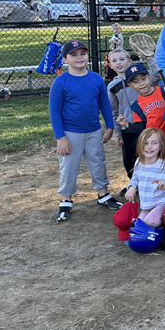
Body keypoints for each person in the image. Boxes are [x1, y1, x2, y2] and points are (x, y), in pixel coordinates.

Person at [50, 40, 119, 222]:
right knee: (69, 166)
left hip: (93, 130)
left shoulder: (95, 78)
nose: (79, 57)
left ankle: (103, 195)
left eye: (82, 53)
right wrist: (60, 138)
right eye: (73, 55)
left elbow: (104, 104)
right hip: (70, 132)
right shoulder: (61, 82)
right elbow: (54, 111)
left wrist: (110, 126)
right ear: (65, 59)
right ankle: (66, 199)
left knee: (97, 162)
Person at [107, 48, 163, 194]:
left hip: (147, 126)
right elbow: (114, 111)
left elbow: (156, 75)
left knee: (151, 156)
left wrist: (149, 58)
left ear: (130, 61)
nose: (118, 63)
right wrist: (117, 133)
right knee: (130, 160)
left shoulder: (142, 79)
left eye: (122, 59)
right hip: (128, 128)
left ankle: (154, 183)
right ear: (110, 65)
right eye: (114, 61)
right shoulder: (112, 87)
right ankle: (134, 184)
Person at [124, 128, 165, 229]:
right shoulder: (139, 162)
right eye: (145, 143)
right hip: (148, 204)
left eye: (154, 143)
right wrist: (132, 187)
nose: (149, 147)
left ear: (161, 146)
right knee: (137, 225)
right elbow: (135, 177)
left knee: (150, 222)